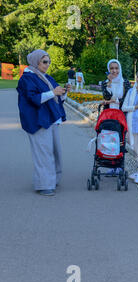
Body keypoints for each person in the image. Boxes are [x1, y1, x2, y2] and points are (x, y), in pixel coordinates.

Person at [16, 49, 71, 196]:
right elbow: (34, 99)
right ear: (35, 62)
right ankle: (44, 185)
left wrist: (63, 93)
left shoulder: (46, 77)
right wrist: (54, 92)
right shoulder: (27, 79)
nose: (48, 64)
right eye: (45, 61)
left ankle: (53, 179)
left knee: (55, 151)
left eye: (49, 61)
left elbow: (55, 99)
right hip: (37, 121)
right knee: (43, 154)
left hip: (50, 119)